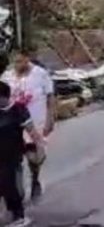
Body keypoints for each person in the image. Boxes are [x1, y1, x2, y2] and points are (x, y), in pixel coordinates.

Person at [1, 50, 53, 203]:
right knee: (13, 159)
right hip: (13, 124)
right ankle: (16, 190)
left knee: (33, 158)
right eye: (15, 62)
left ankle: (35, 179)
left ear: (27, 59)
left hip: (35, 121)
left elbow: (50, 96)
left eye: (20, 61)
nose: (17, 65)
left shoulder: (41, 74)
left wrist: (50, 118)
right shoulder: (6, 76)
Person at [0, 80, 43, 226]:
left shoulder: (18, 109)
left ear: (4, 97)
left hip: (12, 155)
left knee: (12, 186)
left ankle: (19, 217)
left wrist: (40, 148)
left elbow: (32, 131)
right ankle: (9, 213)